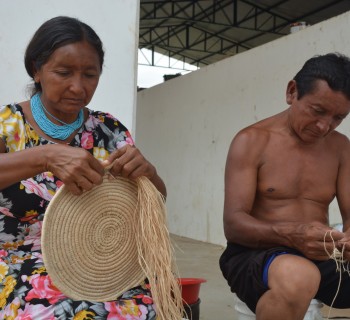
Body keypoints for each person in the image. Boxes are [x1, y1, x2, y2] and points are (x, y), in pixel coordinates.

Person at [0, 16, 166, 319]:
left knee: (147, 309)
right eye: (63, 72)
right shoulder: (9, 125)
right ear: (36, 70)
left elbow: (155, 202)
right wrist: (45, 156)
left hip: (98, 263)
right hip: (16, 260)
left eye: (90, 74)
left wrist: (148, 173)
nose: (78, 87)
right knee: (65, 312)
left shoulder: (109, 129)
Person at [219, 53, 350, 320]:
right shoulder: (252, 141)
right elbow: (233, 225)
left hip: (320, 253)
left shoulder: (340, 147)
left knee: (305, 271)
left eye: (338, 117)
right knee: (299, 276)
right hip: (255, 253)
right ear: (292, 92)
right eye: (317, 111)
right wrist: (294, 233)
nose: (325, 126)